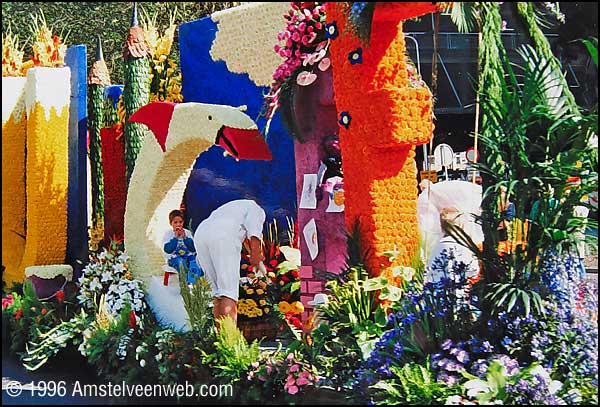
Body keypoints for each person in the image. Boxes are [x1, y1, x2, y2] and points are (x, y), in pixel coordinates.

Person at [193, 199, 266, 328]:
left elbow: (246, 240)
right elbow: (254, 234)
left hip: (201, 234)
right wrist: (256, 255)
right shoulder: (256, 209)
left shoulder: (234, 208)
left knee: (217, 291)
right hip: (223, 236)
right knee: (229, 291)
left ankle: (221, 339)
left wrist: (252, 254)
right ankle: (230, 342)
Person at [426, 207, 481, 292]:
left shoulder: (436, 247)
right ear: (461, 226)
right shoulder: (463, 247)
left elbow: (430, 272)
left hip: (439, 294)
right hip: (459, 293)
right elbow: (473, 271)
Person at [162, 209, 203, 285]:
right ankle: (184, 284)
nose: (178, 225)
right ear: (171, 223)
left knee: (195, 261)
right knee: (180, 262)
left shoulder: (187, 233)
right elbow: (167, 250)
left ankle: (193, 282)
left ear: (183, 222)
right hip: (174, 258)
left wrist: (185, 238)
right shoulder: (168, 234)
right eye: (175, 222)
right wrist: (175, 238)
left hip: (187, 256)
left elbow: (193, 248)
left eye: (180, 222)